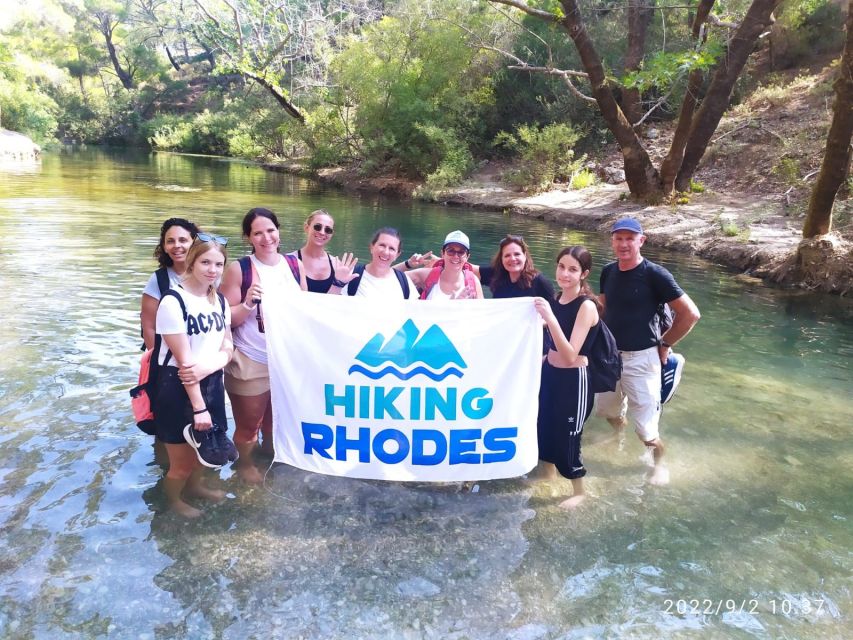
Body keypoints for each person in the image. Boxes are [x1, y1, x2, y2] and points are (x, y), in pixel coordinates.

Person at [596, 218, 701, 485]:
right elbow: (603, 308)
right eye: (618, 238)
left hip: (642, 359)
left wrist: (665, 344)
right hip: (609, 357)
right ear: (612, 241)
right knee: (609, 412)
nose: (623, 244)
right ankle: (617, 434)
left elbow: (690, 314)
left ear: (641, 241)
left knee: (646, 431)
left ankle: (658, 465)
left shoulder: (656, 274)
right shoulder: (608, 271)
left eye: (630, 238)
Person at [220, 207, 308, 483]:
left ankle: (270, 456)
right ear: (248, 237)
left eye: (270, 230)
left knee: (275, 422)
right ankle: (244, 464)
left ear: (278, 231)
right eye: (257, 233)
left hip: (285, 360)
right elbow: (225, 319)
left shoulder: (295, 265)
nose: (266, 237)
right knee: (248, 425)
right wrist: (247, 303)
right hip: (250, 359)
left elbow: (306, 310)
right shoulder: (239, 269)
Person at [154, 234, 233, 518]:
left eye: (219, 264)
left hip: (211, 384)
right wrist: (199, 408)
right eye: (206, 262)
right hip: (177, 389)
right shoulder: (173, 302)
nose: (212, 270)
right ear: (192, 261)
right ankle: (174, 501)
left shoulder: (220, 302)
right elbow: (186, 365)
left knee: (205, 453)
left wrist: (212, 366)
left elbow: (228, 346)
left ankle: (196, 488)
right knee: (181, 463)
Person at [533, 246, 600, 509]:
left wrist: (549, 319)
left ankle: (579, 489)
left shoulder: (586, 307)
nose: (564, 273)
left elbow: (571, 354)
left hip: (574, 381)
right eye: (561, 266)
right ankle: (548, 473)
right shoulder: (557, 299)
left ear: (584, 273)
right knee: (545, 424)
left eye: (572, 269)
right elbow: (551, 345)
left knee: (569, 434)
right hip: (550, 374)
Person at [141, 217, 199, 350]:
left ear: (195, 243)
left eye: (183, 240)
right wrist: (156, 362)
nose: (177, 245)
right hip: (167, 358)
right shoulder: (158, 280)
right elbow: (149, 327)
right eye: (170, 241)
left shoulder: (208, 275)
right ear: (165, 247)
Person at [405, 230, 484, 300]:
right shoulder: (426, 275)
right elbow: (393, 277)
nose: (456, 256)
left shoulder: (473, 281)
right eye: (450, 251)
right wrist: (408, 264)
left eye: (461, 252)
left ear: (467, 257)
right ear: (442, 254)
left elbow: (483, 314)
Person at [340, 227, 416, 299]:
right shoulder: (352, 275)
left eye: (392, 249)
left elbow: (412, 310)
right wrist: (338, 282)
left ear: (397, 255)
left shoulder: (405, 282)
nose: (386, 252)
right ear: (371, 247)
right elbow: (333, 307)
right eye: (382, 245)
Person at [472, 235, 555, 299]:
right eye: (507, 255)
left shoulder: (539, 282)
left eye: (517, 254)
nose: (512, 259)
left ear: (525, 255)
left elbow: (555, 312)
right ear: (502, 259)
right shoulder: (497, 275)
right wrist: (460, 255)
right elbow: (469, 268)